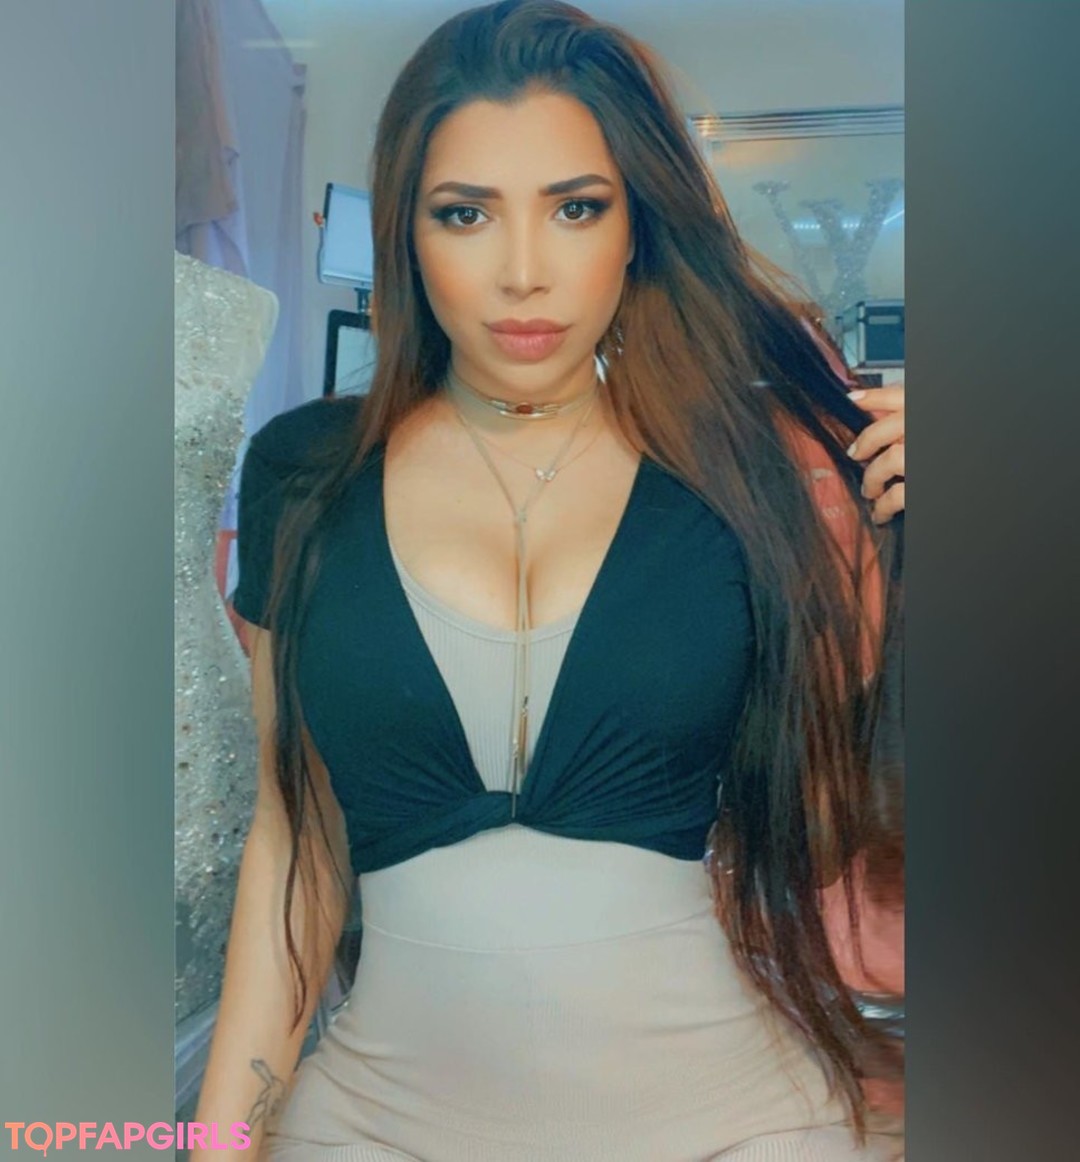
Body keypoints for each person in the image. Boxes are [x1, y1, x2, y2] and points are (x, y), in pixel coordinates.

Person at [192, 3, 906, 1158]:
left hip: (735, 1125)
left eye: (576, 208)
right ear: (408, 235)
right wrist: (218, 1142)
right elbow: (294, 843)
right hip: (375, 1124)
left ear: (636, 228)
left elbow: (849, 805)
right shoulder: (307, 476)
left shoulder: (735, 478)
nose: (523, 273)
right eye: (465, 213)